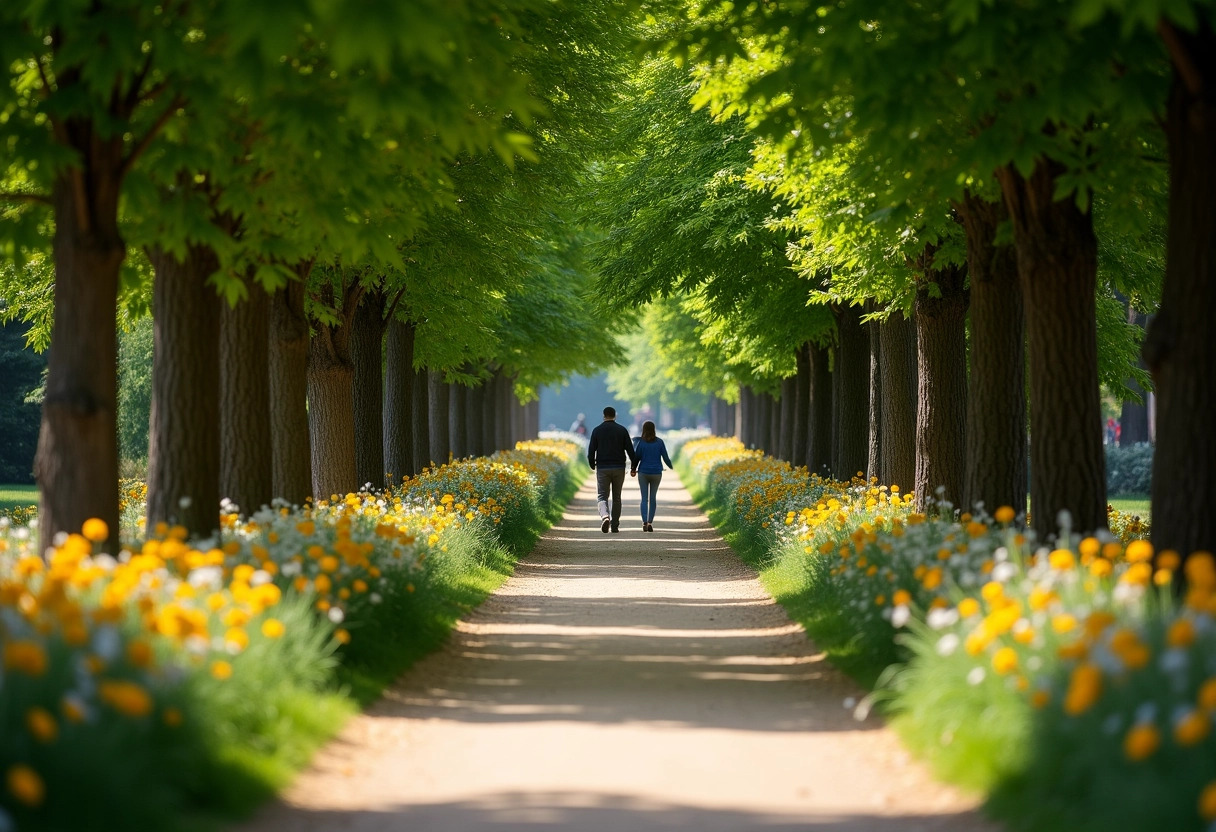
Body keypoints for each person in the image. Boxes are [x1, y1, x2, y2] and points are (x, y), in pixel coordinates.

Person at [587, 406, 638, 533]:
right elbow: (630, 451)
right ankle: (614, 525)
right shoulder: (622, 430)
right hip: (619, 467)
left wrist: (592, 464)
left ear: (603, 415)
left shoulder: (597, 430)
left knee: (602, 496)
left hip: (603, 468)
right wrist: (633, 466)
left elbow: (591, 450)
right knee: (617, 497)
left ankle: (605, 516)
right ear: (615, 415)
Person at [633, 420, 674, 532]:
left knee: (644, 499)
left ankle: (644, 522)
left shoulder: (641, 443)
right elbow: (665, 457)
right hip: (656, 473)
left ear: (643, 429)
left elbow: (637, 457)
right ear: (654, 429)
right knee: (653, 498)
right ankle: (650, 522)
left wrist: (633, 469)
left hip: (643, 472)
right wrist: (671, 466)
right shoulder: (659, 442)